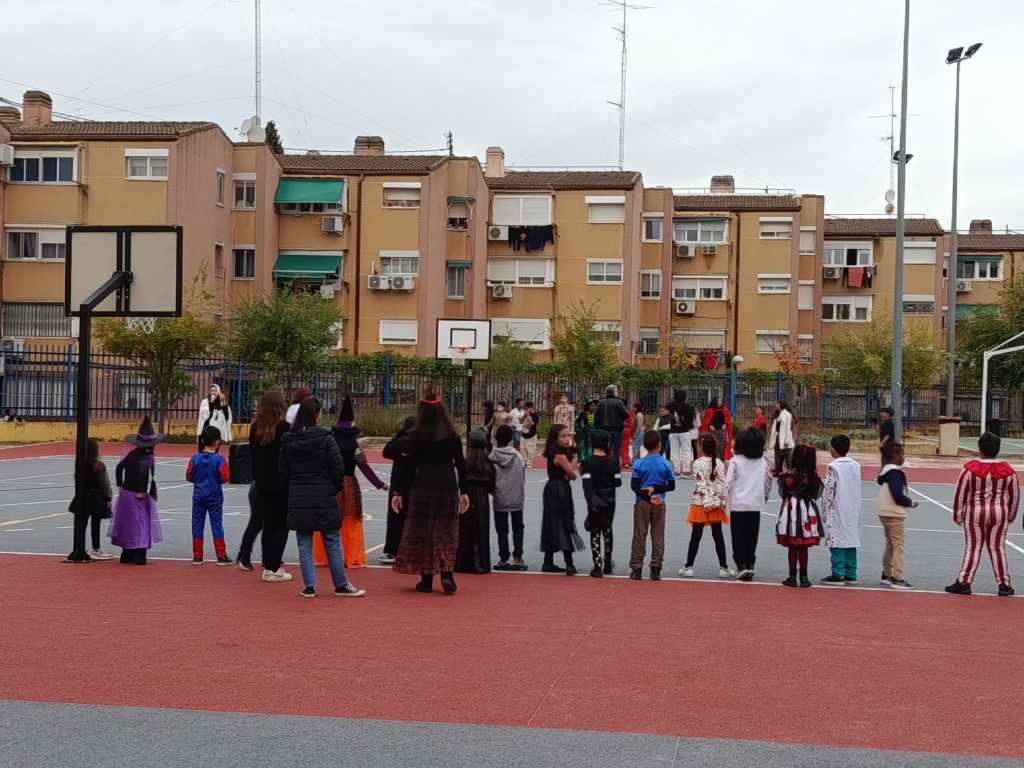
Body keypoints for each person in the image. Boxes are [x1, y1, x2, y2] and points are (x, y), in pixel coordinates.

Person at [280, 396, 365, 598]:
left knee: (304, 541)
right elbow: (338, 467)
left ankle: (309, 586)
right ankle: (341, 584)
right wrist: (334, 487)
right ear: (317, 415)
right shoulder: (326, 438)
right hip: (324, 494)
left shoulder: (288, 440)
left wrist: (294, 487)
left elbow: (283, 471)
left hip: (299, 495)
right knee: (332, 539)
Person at [393, 389, 469, 595]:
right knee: (446, 530)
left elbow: (408, 465)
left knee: (423, 531)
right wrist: (464, 491)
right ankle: (447, 573)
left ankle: (426, 580)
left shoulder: (415, 435)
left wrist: (398, 491)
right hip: (447, 484)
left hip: (423, 484)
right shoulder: (452, 435)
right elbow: (461, 464)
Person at [947, 432, 1020, 597]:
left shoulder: (969, 469)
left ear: (980, 449)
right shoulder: (1008, 471)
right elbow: (1014, 495)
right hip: (999, 512)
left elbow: (960, 493)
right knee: (998, 548)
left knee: (973, 547)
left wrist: (958, 514)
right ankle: (1004, 584)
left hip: (975, 512)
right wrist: (1011, 514)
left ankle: (964, 581)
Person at [329, 395, 388, 569]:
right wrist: (380, 484)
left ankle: (327, 556)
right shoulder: (354, 446)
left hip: (331, 485)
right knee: (352, 521)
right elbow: (365, 468)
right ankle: (351, 556)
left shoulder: (330, 442)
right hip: (350, 486)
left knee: (329, 522)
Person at [247, 390, 292, 582]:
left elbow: (253, 455)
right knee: (282, 525)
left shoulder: (255, 427)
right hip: (281, 482)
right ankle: (275, 567)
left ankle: (267, 567)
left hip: (262, 483)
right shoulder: (284, 427)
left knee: (269, 524)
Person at [108, 416, 163, 565]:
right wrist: (141, 491)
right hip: (138, 496)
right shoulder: (147, 458)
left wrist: (120, 485)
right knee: (141, 524)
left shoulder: (130, 454)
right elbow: (142, 475)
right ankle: (139, 555)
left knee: (127, 524)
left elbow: (119, 468)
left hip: (126, 494)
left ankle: (126, 554)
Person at [680, 434, 733, 578]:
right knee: (718, 535)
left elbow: (700, 484)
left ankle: (689, 566)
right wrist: (717, 502)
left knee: (696, 536)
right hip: (714, 505)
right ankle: (723, 567)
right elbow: (722, 485)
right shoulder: (720, 463)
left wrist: (708, 502)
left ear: (700, 447)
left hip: (700, 504)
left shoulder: (698, 463)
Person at [725, 427, 772, 581]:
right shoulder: (763, 462)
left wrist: (723, 500)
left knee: (738, 536)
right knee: (752, 536)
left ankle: (741, 565)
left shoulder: (735, 461)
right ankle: (750, 563)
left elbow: (728, 482)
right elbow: (768, 482)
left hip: (739, 505)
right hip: (755, 504)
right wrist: (764, 499)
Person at [629, 430, 676, 580]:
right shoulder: (665, 463)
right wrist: (655, 490)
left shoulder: (639, 463)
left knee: (639, 534)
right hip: (659, 501)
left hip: (642, 502)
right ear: (659, 445)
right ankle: (656, 568)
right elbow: (671, 485)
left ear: (644, 445)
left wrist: (648, 496)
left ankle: (636, 567)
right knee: (658, 535)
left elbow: (634, 486)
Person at [776, 444, 823, 588]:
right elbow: (816, 494)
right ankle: (804, 577)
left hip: (791, 511)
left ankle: (792, 577)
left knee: (792, 546)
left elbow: (783, 492)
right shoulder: (813, 477)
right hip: (807, 512)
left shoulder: (789, 475)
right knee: (803, 547)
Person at [540, 424, 584, 575]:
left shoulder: (553, 453)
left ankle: (548, 561)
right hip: (560, 490)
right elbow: (572, 475)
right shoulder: (560, 456)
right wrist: (568, 472)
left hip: (552, 488)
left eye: (568, 436)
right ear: (555, 439)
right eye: (563, 436)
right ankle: (569, 563)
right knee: (564, 523)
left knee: (551, 522)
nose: (567, 439)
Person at [820, 434, 862, 586]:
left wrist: (824, 508)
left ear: (833, 449)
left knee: (836, 540)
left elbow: (829, 490)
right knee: (850, 539)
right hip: (853, 508)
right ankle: (851, 572)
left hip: (837, 509)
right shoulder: (856, 465)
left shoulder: (833, 467)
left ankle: (838, 573)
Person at [187, 426, 232, 565]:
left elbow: (189, 476)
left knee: (197, 523)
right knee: (217, 524)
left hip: (199, 495)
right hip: (214, 496)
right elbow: (225, 478)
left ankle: (197, 555)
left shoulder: (195, 458)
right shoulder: (220, 459)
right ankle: (221, 555)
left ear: (203, 440)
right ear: (217, 442)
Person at [66, 438, 115, 563]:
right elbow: (104, 483)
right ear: (95, 450)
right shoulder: (99, 465)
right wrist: (108, 498)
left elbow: (77, 480)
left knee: (81, 524)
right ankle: (96, 549)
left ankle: (79, 547)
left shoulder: (79, 463)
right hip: (96, 498)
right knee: (95, 524)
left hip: (82, 497)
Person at [581, 430, 622, 578]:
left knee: (595, 532)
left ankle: (597, 565)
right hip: (609, 499)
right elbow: (618, 482)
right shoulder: (613, 462)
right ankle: (608, 562)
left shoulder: (587, 463)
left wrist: (589, 502)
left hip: (594, 499)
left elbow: (586, 485)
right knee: (607, 529)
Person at [876, 442, 917, 590]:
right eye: (902, 454)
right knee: (899, 546)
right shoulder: (895, 474)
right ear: (896, 456)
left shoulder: (885, 471)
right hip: (894, 514)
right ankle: (897, 577)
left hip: (884, 512)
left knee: (890, 544)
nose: (904, 457)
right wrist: (910, 502)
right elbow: (897, 495)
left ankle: (887, 573)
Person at [456, 430, 494, 574]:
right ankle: (481, 563)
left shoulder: (465, 463)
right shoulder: (488, 463)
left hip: (466, 497)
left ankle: (463, 562)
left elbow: (459, 480)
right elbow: (492, 485)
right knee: (481, 530)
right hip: (482, 498)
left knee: (464, 529)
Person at [491, 424, 527, 571]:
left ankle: (503, 558)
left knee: (502, 529)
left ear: (496, 438)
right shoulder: (518, 456)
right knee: (518, 527)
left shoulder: (491, 457)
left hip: (500, 496)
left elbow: (490, 477)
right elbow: (522, 476)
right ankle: (517, 557)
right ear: (511, 439)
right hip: (516, 495)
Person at [380, 416, 416, 564]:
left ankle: (394, 550)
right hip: (416, 483)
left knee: (396, 518)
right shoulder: (422, 442)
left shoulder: (401, 442)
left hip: (399, 483)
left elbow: (386, 452)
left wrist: (398, 435)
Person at [595, 385, 630, 462]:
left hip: (604, 429)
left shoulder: (601, 402)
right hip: (617, 429)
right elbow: (627, 415)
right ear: (614, 392)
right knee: (616, 450)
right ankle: (615, 465)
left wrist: (597, 428)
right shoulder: (619, 402)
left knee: (605, 449)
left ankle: (605, 464)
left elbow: (596, 416)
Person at [196, 383, 232, 451]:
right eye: (212, 391)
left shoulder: (221, 403)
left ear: (218, 391)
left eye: (215, 390)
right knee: (202, 450)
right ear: (209, 392)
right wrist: (211, 402)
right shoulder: (205, 402)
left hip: (216, 431)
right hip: (205, 430)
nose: (213, 392)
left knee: (215, 451)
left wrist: (223, 401)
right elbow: (205, 415)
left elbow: (226, 415)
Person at [669, 389, 695, 477]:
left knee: (674, 451)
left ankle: (676, 471)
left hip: (673, 431)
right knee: (686, 450)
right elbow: (691, 418)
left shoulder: (670, 405)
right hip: (684, 431)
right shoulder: (688, 407)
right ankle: (686, 470)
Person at [768, 400, 795, 476]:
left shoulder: (788, 415)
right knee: (777, 454)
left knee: (787, 454)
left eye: (777, 404)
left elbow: (788, 428)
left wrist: (787, 440)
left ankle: (789, 471)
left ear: (781, 405)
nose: (776, 405)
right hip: (778, 436)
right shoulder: (777, 414)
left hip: (785, 436)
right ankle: (777, 470)